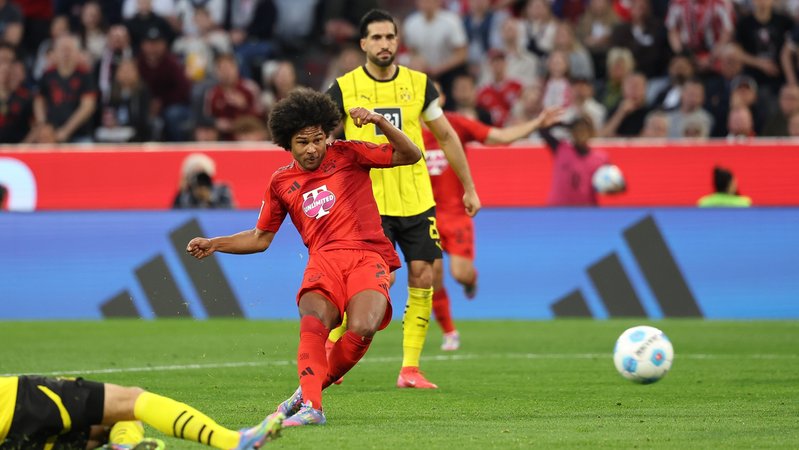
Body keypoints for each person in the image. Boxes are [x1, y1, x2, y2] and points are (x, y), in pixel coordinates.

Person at [186, 88, 423, 425]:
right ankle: (313, 407)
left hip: (367, 253)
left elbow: (411, 154)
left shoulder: (349, 154)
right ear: (288, 143)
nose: (312, 149)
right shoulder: (281, 182)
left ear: (327, 135)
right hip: (324, 260)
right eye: (303, 142)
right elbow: (260, 238)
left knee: (363, 326)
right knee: (313, 320)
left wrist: (379, 122)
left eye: (318, 140)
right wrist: (214, 243)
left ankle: (306, 392)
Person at [325, 9, 481, 389]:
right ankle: (332, 344)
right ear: (363, 43)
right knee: (373, 281)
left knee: (424, 275)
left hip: (416, 199)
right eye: (377, 38)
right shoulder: (344, 88)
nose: (384, 44)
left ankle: (409, 369)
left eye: (390, 37)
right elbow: (322, 138)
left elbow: (446, 136)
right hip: (368, 204)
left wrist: (469, 187)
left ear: (398, 41)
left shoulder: (419, 84)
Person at [424, 83, 563, 350]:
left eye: (436, 93)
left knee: (460, 273)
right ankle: (450, 332)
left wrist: (537, 123)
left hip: (456, 214)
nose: (431, 98)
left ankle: (471, 281)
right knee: (432, 276)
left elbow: (499, 137)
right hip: (424, 214)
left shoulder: (455, 124)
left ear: (442, 99)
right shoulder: (406, 129)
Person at [0, 375, 282, 449]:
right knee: (132, 401)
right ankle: (232, 441)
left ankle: (123, 444)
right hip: (12, 400)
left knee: (104, 428)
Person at [542, 115, 625, 206]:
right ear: (572, 133)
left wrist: (611, 187)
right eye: (577, 130)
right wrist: (564, 124)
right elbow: (542, 130)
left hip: (586, 210)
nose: (581, 134)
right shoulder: (561, 148)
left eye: (584, 130)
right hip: (557, 209)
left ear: (591, 132)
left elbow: (620, 185)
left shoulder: (601, 159)